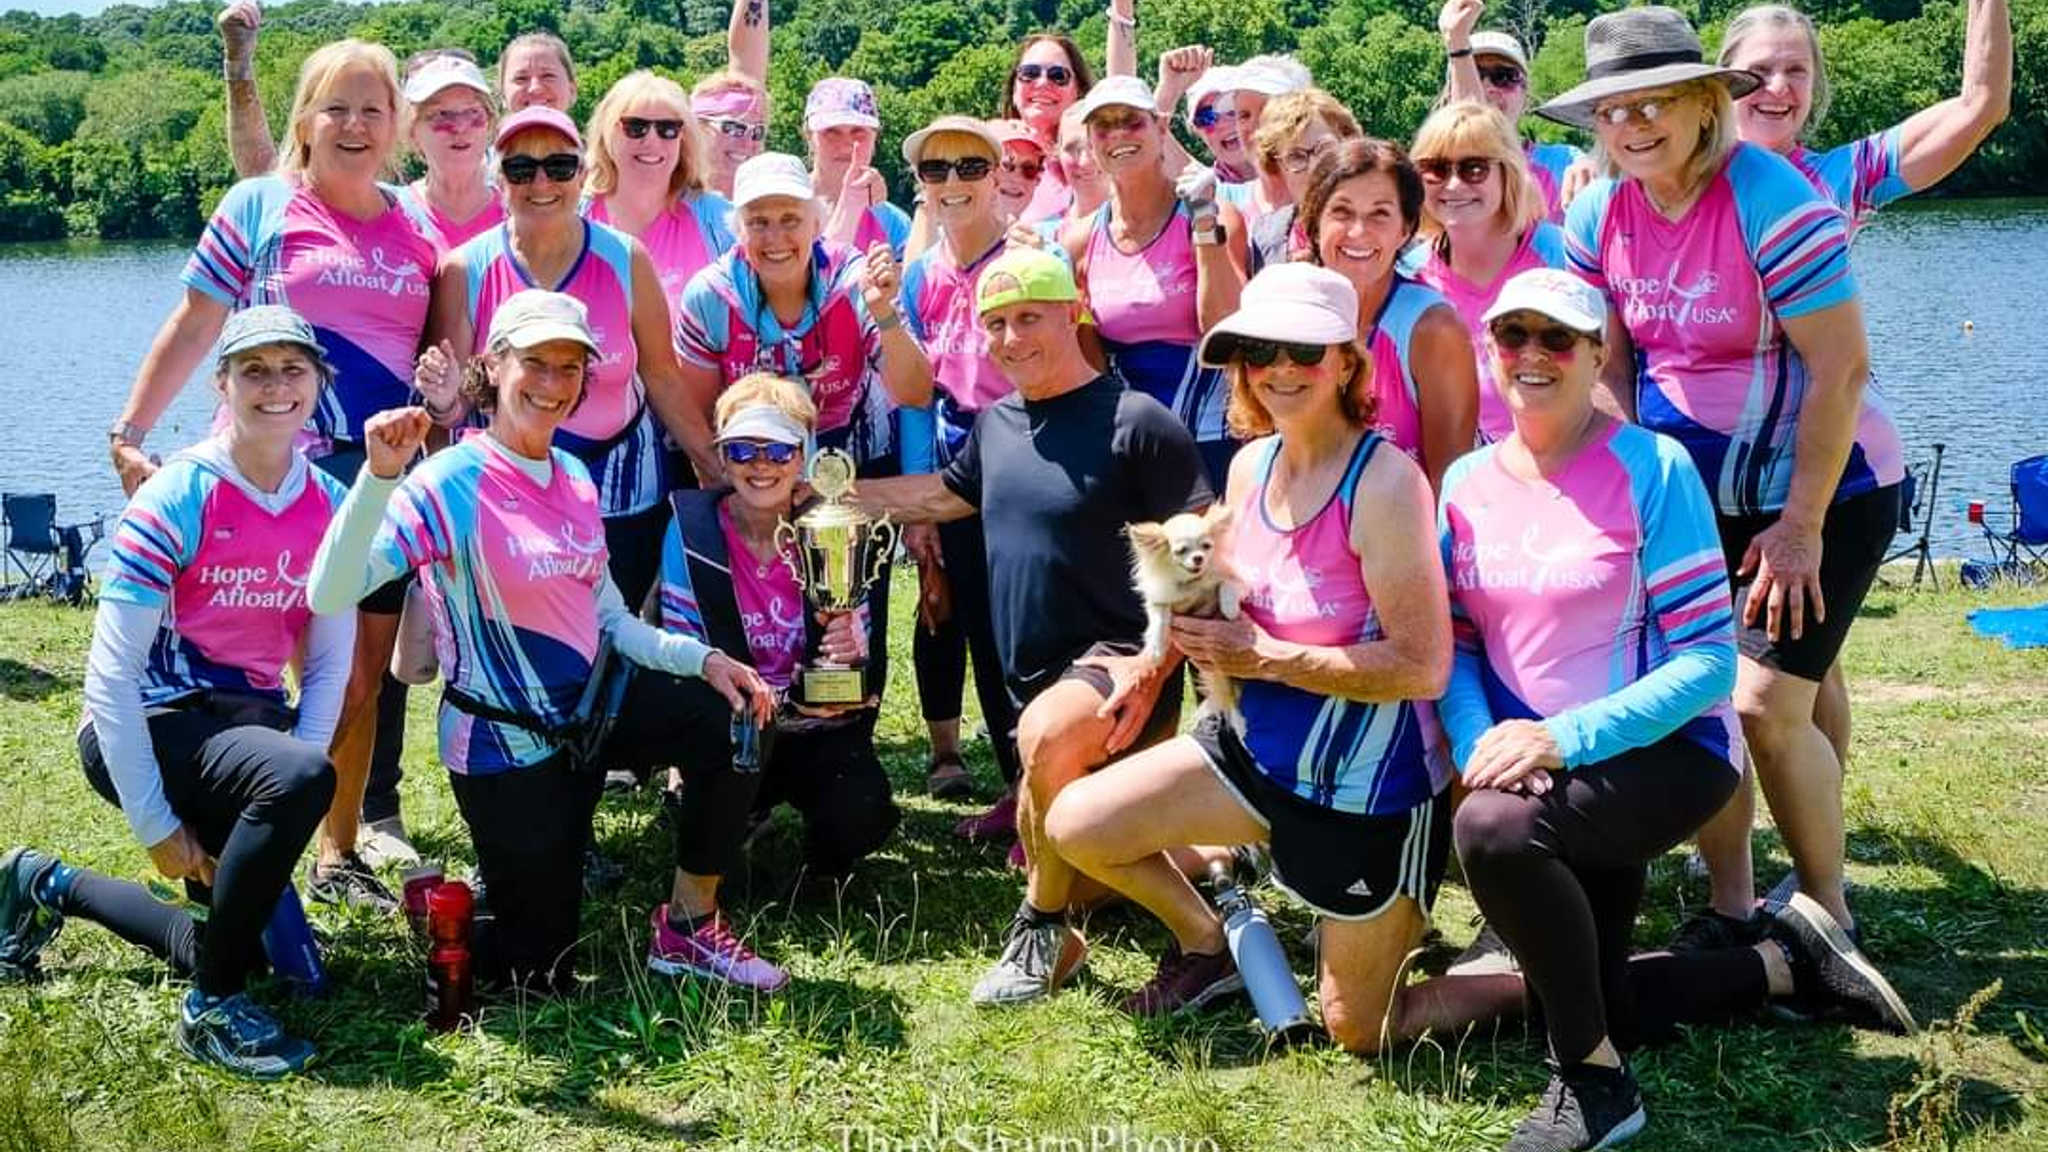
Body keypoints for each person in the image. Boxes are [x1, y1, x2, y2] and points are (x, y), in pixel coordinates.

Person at [1424, 267, 1911, 1152]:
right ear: (1490, 351)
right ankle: (1782, 966)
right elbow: (1457, 646)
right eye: (1512, 337)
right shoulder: (1462, 482)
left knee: (1492, 833)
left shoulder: (1654, 468)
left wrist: (1561, 738)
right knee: (1583, 994)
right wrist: (1479, 740)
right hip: (1535, 765)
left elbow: (1704, 665)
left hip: (1667, 755)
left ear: (1597, 354)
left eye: (1557, 339)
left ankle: (1597, 1088)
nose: (1532, 355)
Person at [1546, 6, 1906, 984]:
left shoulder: (1771, 200)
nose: (1631, 126)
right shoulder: (1595, 216)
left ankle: (1824, 913)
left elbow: (1838, 370)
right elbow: (1607, 365)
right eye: (1611, 110)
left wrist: (1796, 529)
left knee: (1761, 704)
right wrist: (1628, 487)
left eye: (1653, 101)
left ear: (1708, 102)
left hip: (1825, 489)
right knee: (1704, 697)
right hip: (1693, 493)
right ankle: (1732, 901)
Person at [307, 290, 774, 993]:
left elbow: (611, 621)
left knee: (734, 714)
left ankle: (688, 926)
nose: (553, 384)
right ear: (493, 366)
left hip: (586, 721)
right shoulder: (446, 482)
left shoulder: (575, 478)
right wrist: (377, 478)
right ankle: (449, 909)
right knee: (539, 972)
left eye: (569, 367)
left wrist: (704, 659)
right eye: (535, 363)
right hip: (504, 748)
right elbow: (329, 592)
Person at [1045, 262, 1455, 1025]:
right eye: (1259, 353)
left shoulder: (1388, 483)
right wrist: (1154, 659)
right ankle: (1209, 944)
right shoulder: (1247, 465)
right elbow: (1212, 605)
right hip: (1249, 752)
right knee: (1075, 825)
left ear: (1346, 363)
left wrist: (1265, 658)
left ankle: (1514, 964)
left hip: (1364, 786)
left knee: (1358, 1028)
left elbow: (1423, 667)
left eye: (1304, 353)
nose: (1280, 371)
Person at [1687, 0, 2013, 943]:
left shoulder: (1837, 177)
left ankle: (1814, 879)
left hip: (1821, 471)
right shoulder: (1677, 177)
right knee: (1780, 670)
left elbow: (1979, 104)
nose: (1777, 87)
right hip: (1710, 481)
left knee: (1784, 675)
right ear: (1722, 84)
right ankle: (1764, 874)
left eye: (1796, 70)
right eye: (1757, 70)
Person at [108, 39, 437, 914]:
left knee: (356, 679)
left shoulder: (418, 228)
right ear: (304, 120)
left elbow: (440, 359)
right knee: (241, 673)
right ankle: (222, 839)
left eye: (374, 109)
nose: (355, 125)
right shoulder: (259, 204)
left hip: (372, 487)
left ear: (397, 125)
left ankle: (335, 851)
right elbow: (194, 322)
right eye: (337, 107)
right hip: (260, 484)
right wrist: (134, 430)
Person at [850, 248, 1213, 1007]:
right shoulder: (997, 424)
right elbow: (939, 498)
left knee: (1045, 745)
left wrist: (1153, 668)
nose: (1012, 339)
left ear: (1073, 311)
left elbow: (1198, 552)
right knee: (1077, 855)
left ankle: (1099, 936)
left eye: (1029, 319)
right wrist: (824, 493)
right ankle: (1202, 858)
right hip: (1032, 682)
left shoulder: (1139, 422)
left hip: (1116, 669)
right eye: (997, 325)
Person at [1, 307, 350, 1078]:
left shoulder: (329, 504)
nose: (275, 387)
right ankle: (212, 1010)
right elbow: (111, 677)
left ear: (319, 384)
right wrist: (157, 822)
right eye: (253, 370)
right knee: (295, 784)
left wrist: (290, 774)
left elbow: (329, 666)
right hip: (145, 725)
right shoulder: (177, 496)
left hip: (247, 735)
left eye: (293, 369)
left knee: (277, 962)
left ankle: (42, 882)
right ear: (222, 385)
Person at [645, 373, 901, 990]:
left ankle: (817, 849)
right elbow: (682, 642)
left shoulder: (835, 527)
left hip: (815, 725)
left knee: (861, 816)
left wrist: (849, 652)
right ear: (722, 453)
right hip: (735, 719)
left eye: (780, 450)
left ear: (807, 454)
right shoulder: (691, 524)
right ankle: (733, 816)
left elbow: (861, 668)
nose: (762, 466)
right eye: (743, 450)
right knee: (717, 798)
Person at [423, 105, 710, 610]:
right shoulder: (465, 269)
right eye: (520, 169)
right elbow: (453, 400)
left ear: (582, 175)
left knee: (614, 649)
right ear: (498, 179)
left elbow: (662, 377)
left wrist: (717, 469)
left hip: (621, 489)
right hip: (510, 493)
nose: (541, 183)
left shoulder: (625, 259)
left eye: (558, 166)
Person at [896, 117, 1025, 803]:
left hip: (1024, 456)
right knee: (955, 610)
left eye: (970, 167)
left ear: (997, 174)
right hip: (953, 456)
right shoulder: (920, 275)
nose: (953, 182)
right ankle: (981, 771)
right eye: (935, 170)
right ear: (919, 184)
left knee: (1017, 630)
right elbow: (916, 397)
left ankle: (1029, 786)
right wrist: (920, 506)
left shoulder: (1028, 259)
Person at [674, 152, 933, 479]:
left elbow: (917, 393)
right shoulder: (709, 297)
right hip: (756, 472)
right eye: (758, 222)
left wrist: (884, 314)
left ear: (815, 225)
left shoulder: (853, 282)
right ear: (738, 230)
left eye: (790, 219)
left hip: (858, 464)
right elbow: (702, 419)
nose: (775, 238)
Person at [1064, 76, 1248, 489]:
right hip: (1126, 445)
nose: (1119, 135)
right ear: (1090, 143)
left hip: (1212, 439)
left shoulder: (1213, 214)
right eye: (1104, 127)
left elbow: (1227, 330)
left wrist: (1204, 224)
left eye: (1132, 122)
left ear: (1160, 128)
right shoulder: (1079, 240)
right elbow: (1086, 358)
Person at [1301, 138, 1478, 490]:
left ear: (1406, 229)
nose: (1358, 232)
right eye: (1341, 211)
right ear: (1314, 221)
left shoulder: (1433, 330)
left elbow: (1451, 485)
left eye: (1379, 214)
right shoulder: (1288, 310)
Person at [214, 8, 576, 179]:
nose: (460, 127)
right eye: (440, 116)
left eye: (471, 113)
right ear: (408, 128)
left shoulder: (543, 187)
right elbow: (266, 177)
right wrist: (238, 68)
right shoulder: (393, 205)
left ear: (489, 119)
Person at [1409, 101, 1568, 444]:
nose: (1452, 185)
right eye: (1435, 169)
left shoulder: (1564, 258)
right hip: (1462, 476)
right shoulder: (1410, 276)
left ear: (1508, 173)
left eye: (1474, 168)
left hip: (1565, 462)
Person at [583, 72, 738, 311]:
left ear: (683, 139)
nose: (652, 141)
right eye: (635, 127)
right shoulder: (575, 218)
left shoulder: (721, 223)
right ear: (607, 133)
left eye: (668, 129)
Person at [1437, 0, 1587, 221]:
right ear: (1450, 93)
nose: (1487, 87)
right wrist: (1456, 41)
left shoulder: (1566, 162)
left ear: (1526, 96)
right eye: (1475, 75)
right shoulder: (1433, 174)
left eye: (1504, 77)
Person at [1247, 88, 1362, 273]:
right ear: (1277, 168)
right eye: (1296, 156)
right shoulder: (1265, 239)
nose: (1314, 166)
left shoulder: (1383, 223)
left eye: (1325, 148)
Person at [804, 78, 914, 259]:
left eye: (858, 131)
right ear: (809, 136)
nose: (847, 145)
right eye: (831, 131)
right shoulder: (786, 204)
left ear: (875, 138)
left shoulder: (895, 223)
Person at [997, 32, 1098, 222]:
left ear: (1078, 91)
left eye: (1058, 76)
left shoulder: (1089, 164)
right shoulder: (980, 155)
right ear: (1014, 88)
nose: (1042, 82)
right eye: (1029, 73)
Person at [691, 0, 775, 200]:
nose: (748, 141)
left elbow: (748, 63)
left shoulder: (770, 209)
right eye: (733, 128)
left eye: (757, 132)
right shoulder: (664, 199)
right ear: (697, 127)